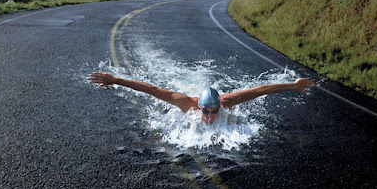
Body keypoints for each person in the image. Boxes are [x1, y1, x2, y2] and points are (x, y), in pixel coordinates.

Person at [88, 72, 315, 125]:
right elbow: (151, 89)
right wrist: (115, 80)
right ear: (198, 106)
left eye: (213, 111)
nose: (208, 116)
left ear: (219, 106)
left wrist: (293, 86)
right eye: (204, 111)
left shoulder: (227, 102)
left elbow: (260, 90)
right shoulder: (185, 103)